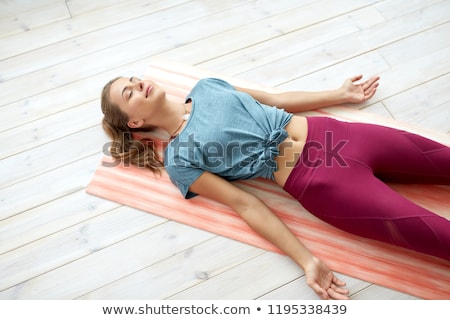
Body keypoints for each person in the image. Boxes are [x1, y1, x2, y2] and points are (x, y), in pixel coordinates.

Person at [101, 74, 450, 300]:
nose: (138, 84)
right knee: (440, 238)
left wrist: (339, 93)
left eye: (134, 79)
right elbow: (246, 204)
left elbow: (274, 98)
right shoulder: (180, 160)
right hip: (323, 185)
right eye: (128, 93)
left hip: (343, 135)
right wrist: (307, 260)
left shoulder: (207, 86)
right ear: (135, 122)